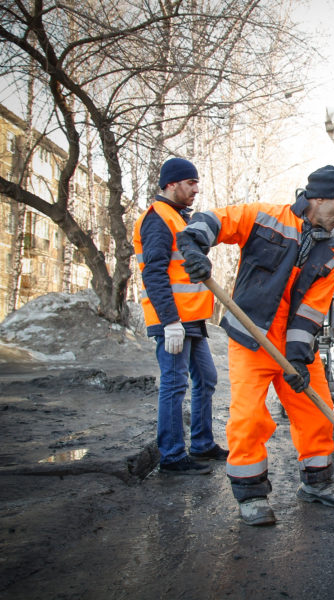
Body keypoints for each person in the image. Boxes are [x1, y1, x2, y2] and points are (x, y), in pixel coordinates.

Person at [176, 165, 334, 526]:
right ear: (317, 199)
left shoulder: (333, 254)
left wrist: (298, 361)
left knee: (315, 412)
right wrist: (193, 247)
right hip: (252, 336)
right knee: (248, 419)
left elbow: (310, 311)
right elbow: (212, 223)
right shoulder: (262, 217)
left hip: (295, 345)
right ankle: (251, 496)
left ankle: (317, 484)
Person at [133, 157, 227, 476]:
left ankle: (201, 444)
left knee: (207, 378)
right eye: (190, 183)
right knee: (174, 384)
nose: (195, 189)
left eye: (197, 183)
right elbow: (155, 273)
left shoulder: (178, 218)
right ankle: (172, 456)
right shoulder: (158, 219)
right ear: (171, 184)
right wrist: (170, 321)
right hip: (173, 321)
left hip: (191, 321)